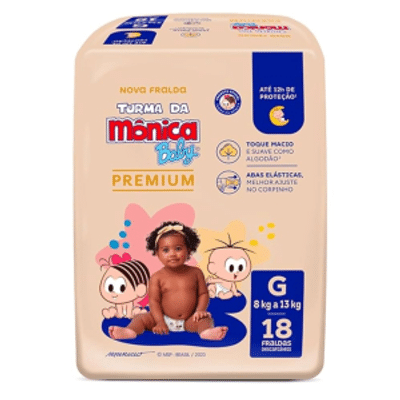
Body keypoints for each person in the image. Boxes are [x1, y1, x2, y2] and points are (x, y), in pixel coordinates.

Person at [108, 221, 228, 340]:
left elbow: (203, 294)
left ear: (188, 250)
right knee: (141, 318)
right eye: (166, 250)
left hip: (189, 320)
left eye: (178, 248)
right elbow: (154, 301)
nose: (172, 254)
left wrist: (200, 311)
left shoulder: (196, 273)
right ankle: (130, 331)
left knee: (205, 319)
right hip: (162, 318)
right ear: (157, 253)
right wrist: (160, 322)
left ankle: (206, 332)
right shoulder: (157, 277)